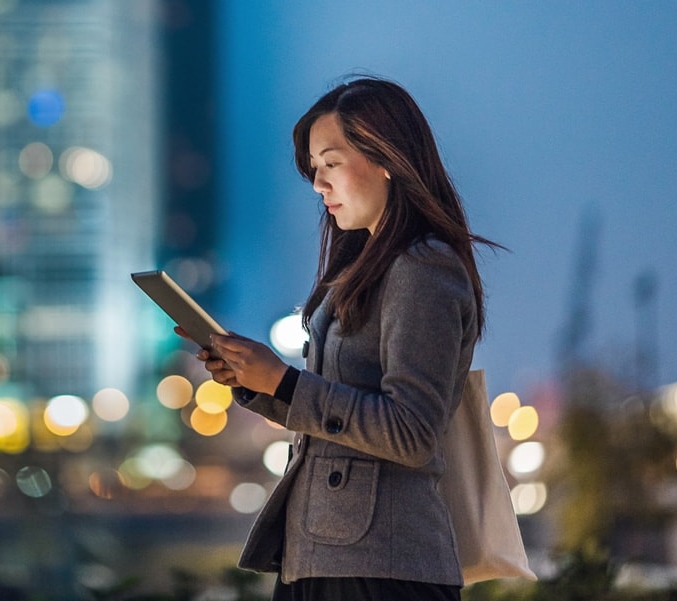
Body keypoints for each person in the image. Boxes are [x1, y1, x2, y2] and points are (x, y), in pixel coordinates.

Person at [183, 76, 499, 600]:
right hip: (321, 556)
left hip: (384, 569)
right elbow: (332, 417)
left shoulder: (424, 269)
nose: (317, 184)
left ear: (387, 159)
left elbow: (412, 432)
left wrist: (285, 382)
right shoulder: (360, 269)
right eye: (313, 168)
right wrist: (255, 382)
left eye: (331, 163)